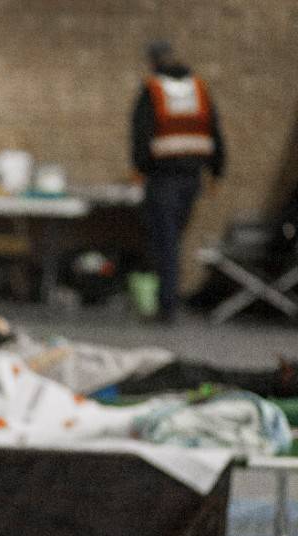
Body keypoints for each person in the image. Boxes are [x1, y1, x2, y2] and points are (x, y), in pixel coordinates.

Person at [0, 276, 297, 398]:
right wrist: (48, 355)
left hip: (67, 363)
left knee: (173, 363)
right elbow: (2, 377)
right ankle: (276, 383)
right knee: (185, 373)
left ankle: (276, 380)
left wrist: (0, 333)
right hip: (71, 381)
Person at [131, 39, 226, 323]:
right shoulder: (198, 88)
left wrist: (140, 169)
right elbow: (215, 131)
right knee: (174, 241)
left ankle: (167, 307)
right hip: (193, 178)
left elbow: (141, 134)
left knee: (166, 243)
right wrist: (217, 171)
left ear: (152, 61)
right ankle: (169, 302)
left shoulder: (153, 90)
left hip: (163, 179)